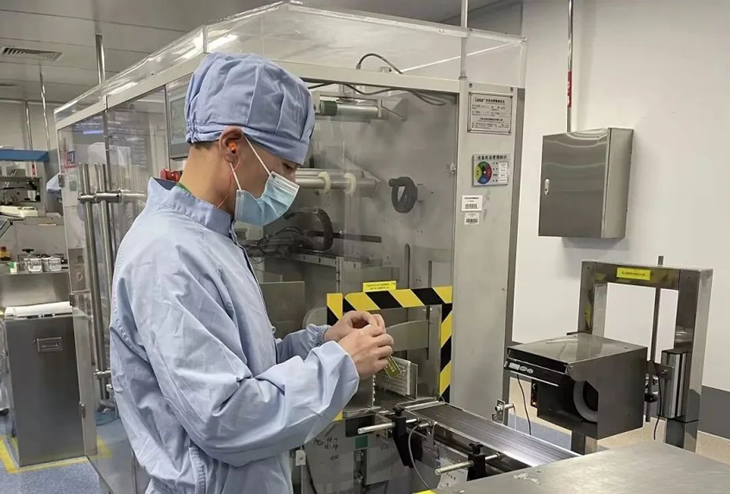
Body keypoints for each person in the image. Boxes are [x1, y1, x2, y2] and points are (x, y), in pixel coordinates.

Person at [110, 53, 394, 494]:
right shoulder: (168, 255)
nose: (291, 185)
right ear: (232, 144)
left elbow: (245, 366)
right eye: (286, 168)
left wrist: (323, 342)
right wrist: (341, 365)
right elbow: (226, 418)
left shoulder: (213, 238)